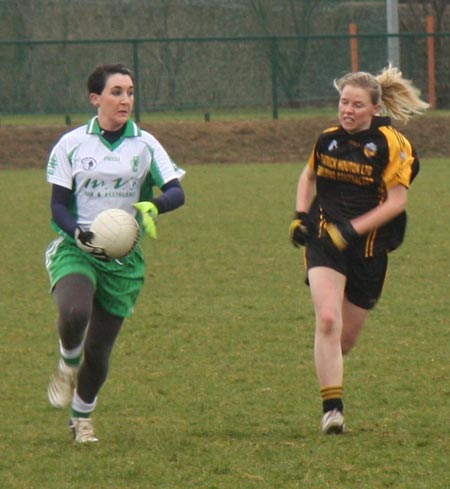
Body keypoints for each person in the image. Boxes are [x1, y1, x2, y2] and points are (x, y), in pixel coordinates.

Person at [45, 63, 186, 443]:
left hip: (124, 258)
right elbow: (58, 205)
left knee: (100, 349)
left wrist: (155, 205)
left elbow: (177, 191)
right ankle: (66, 362)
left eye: (130, 91)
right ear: (96, 99)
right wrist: (77, 231)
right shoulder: (72, 144)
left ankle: (82, 418)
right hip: (77, 247)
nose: (126, 99)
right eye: (117, 92)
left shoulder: (145, 144)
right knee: (74, 310)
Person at [289, 65, 429, 434]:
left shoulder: (391, 143)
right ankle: (332, 411)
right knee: (328, 320)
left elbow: (397, 202)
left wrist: (353, 230)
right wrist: (301, 216)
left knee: (344, 341)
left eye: (356, 105)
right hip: (325, 240)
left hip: (369, 248)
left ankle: (329, 361)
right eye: (342, 102)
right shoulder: (327, 139)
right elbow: (309, 176)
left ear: (374, 109)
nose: (347, 110)